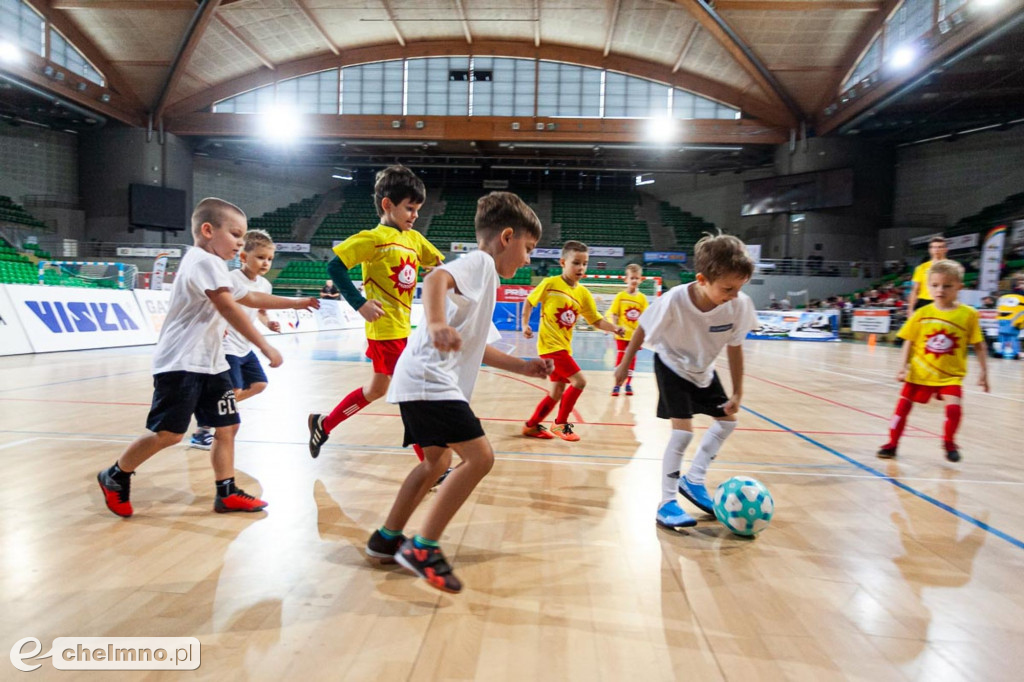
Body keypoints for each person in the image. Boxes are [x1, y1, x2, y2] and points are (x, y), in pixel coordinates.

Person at [366, 192, 551, 593]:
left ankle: (386, 538)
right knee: (480, 457)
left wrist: (524, 366)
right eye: (528, 249)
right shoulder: (482, 263)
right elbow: (435, 278)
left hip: (417, 380)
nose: (527, 260)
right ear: (507, 237)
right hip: (430, 379)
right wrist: (434, 324)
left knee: (436, 462)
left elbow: (476, 346)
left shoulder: (485, 285)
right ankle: (423, 547)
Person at [96, 198, 319, 518]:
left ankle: (226, 492)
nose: (240, 244)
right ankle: (115, 475)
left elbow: (250, 297)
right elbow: (228, 306)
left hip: (213, 363)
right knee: (169, 434)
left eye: (243, 239)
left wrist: (295, 304)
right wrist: (266, 346)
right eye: (236, 235)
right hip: (182, 362)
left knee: (228, 426)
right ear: (207, 230)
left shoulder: (213, 264)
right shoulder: (202, 261)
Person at [614, 233, 758, 529]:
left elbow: (735, 347)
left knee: (728, 422)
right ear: (702, 279)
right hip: (671, 364)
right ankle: (667, 502)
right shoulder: (675, 300)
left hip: (702, 369)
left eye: (739, 288)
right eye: (727, 289)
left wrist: (738, 391)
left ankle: (694, 480)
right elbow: (642, 328)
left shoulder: (739, 304)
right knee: (682, 435)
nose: (734, 295)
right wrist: (624, 366)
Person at [307, 165, 444, 459]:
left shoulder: (415, 239)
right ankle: (432, 464)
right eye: (409, 208)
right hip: (384, 331)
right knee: (410, 394)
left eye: (418, 209)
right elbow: (334, 267)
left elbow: (440, 267)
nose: (415, 215)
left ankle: (324, 424)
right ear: (387, 204)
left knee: (377, 390)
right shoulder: (372, 238)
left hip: (404, 330)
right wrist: (360, 304)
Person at [877, 260, 989, 462]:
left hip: (950, 375)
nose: (940, 290)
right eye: (935, 285)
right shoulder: (922, 313)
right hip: (919, 372)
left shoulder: (969, 315)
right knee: (902, 409)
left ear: (959, 287)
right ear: (928, 287)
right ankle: (892, 444)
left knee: (954, 408)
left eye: (947, 286)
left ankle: (949, 442)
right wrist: (902, 367)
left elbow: (979, 345)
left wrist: (984, 372)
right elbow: (909, 343)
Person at [189, 229, 289, 449]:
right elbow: (217, 304)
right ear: (243, 257)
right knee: (231, 391)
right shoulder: (230, 279)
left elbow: (261, 311)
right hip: (226, 346)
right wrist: (219, 324)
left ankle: (211, 408)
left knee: (260, 384)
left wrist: (268, 322)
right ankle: (203, 430)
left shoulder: (265, 285)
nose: (266, 263)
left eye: (270, 259)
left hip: (245, 347)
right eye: (261, 257)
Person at [520, 241, 624, 442]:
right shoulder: (550, 284)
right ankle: (560, 424)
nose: (581, 268)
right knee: (580, 381)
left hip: (563, 349)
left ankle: (531, 426)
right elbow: (529, 301)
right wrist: (525, 324)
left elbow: (596, 320)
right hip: (550, 347)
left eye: (584, 264)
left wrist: (614, 328)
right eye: (576, 263)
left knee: (557, 391)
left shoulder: (583, 293)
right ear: (562, 262)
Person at [607, 263, 648, 396]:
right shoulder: (620, 296)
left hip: (635, 336)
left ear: (640, 280)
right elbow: (614, 313)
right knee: (620, 356)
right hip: (621, 334)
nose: (634, 280)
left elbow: (646, 317)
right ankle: (617, 385)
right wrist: (615, 327)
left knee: (632, 359)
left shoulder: (642, 298)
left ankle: (629, 383)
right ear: (626, 279)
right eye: (632, 278)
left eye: (637, 278)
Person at [907, 236, 949, 310]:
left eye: (940, 247)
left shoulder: (952, 267)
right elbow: (915, 290)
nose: (937, 250)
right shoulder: (921, 267)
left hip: (943, 302)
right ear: (930, 250)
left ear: (945, 249)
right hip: (923, 303)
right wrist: (910, 309)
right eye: (934, 247)